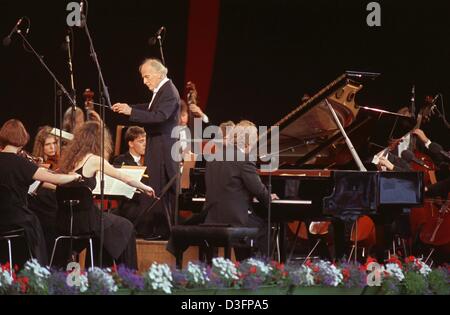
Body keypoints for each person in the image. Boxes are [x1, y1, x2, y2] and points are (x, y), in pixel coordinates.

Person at [59, 121, 155, 269]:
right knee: (126, 227)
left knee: (106, 231)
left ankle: (97, 271)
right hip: (87, 220)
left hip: (67, 219)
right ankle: (128, 276)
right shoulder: (94, 160)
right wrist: (144, 187)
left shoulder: (69, 160)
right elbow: (123, 177)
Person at [112, 58, 180, 239]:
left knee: (159, 187)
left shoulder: (169, 92)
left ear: (159, 73)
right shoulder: (162, 91)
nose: (144, 81)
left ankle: (163, 232)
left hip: (163, 148)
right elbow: (150, 108)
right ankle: (157, 230)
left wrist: (131, 112)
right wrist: (129, 108)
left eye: (147, 77)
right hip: (157, 145)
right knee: (155, 186)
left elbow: (159, 116)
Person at [0, 119, 81, 266]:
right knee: (36, 225)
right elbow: (54, 178)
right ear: (22, 139)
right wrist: (74, 176)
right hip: (16, 219)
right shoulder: (21, 163)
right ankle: (38, 271)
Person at [202, 120, 278, 260]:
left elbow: (229, 186)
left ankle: (242, 267)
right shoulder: (244, 159)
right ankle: (258, 271)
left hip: (211, 218)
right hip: (234, 220)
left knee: (254, 221)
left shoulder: (212, 158)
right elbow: (258, 190)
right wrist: (268, 198)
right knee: (265, 227)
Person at [112, 126, 155, 238]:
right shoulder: (120, 160)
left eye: (146, 141)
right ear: (131, 143)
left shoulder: (150, 160)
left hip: (147, 202)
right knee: (148, 216)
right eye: (141, 141)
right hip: (129, 204)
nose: (145, 144)